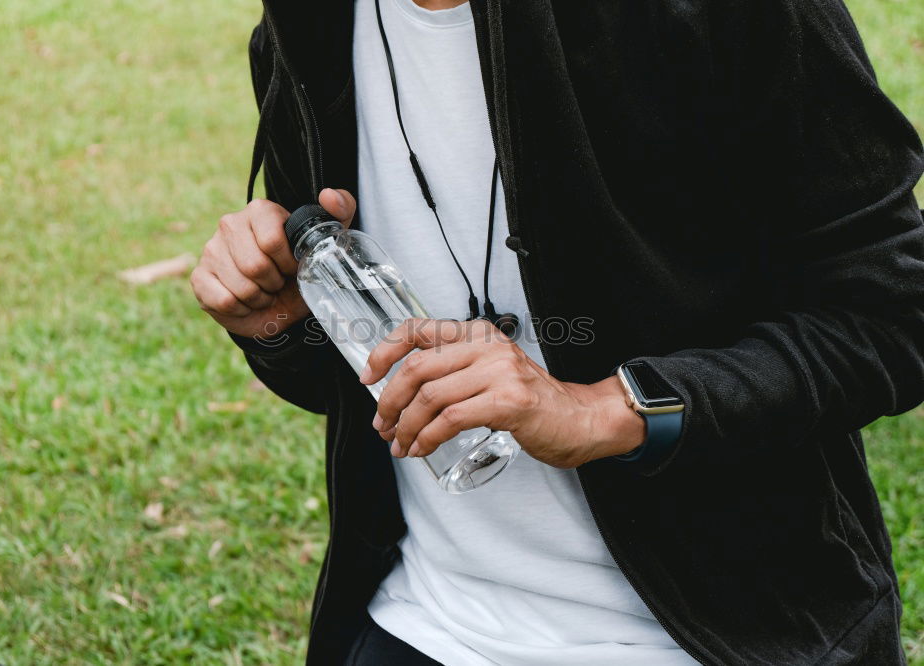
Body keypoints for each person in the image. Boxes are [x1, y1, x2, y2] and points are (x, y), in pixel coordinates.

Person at [189, 0, 924, 663]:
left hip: (723, 633)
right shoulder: (306, 26)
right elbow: (355, 391)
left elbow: (890, 310)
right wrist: (281, 325)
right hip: (420, 620)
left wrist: (605, 409)